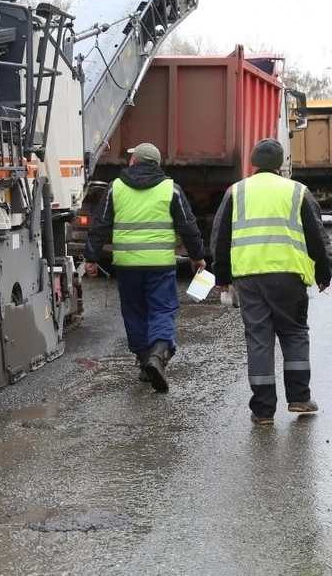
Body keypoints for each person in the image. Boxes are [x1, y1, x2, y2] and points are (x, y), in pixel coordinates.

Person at [210, 137, 332, 426]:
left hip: (250, 278)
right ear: (280, 164)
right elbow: (317, 236)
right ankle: (299, 398)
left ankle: (263, 411)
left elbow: (220, 237)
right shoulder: (297, 191)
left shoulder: (236, 192)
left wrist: (222, 277)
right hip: (288, 277)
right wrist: (324, 273)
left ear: (253, 162)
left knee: (259, 339)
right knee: (294, 334)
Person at [84, 142, 206, 392]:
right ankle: (157, 357)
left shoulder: (115, 188)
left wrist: (91, 258)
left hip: (127, 265)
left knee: (135, 313)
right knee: (162, 310)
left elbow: (100, 226)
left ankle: (143, 362)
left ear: (133, 162)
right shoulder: (171, 189)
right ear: (157, 164)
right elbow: (188, 226)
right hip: (160, 265)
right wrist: (197, 256)